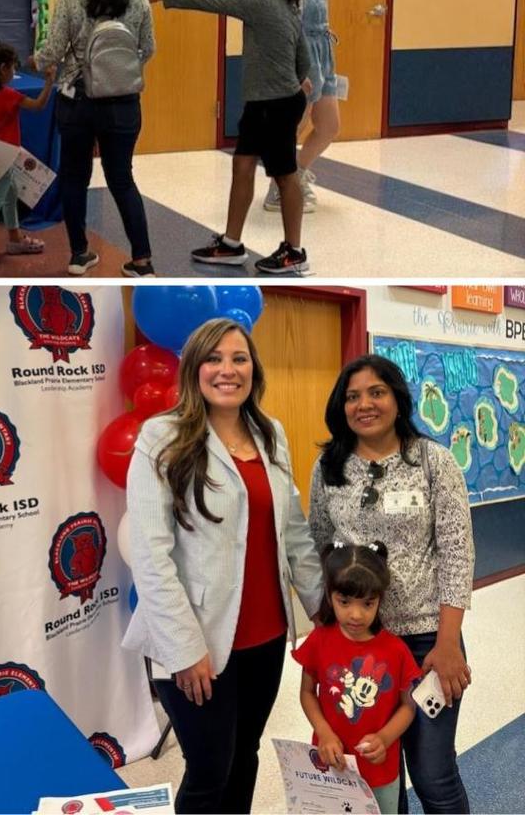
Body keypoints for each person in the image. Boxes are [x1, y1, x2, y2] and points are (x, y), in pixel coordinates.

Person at [122, 317, 323, 814]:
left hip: (268, 635)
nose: (227, 370)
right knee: (209, 767)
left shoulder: (269, 432)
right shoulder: (161, 437)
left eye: (239, 358)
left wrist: (323, 613)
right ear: (194, 368)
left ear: (254, 368)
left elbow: (292, 529)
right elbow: (151, 554)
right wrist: (184, 649)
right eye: (213, 358)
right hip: (198, 641)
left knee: (244, 755)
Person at [309, 355, 474, 814]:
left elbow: (457, 552)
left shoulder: (433, 462)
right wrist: (328, 628)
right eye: (352, 396)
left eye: (376, 392)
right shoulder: (329, 467)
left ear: (397, 400)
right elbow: (320, 545)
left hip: (426, 642)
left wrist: (447, 643)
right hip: (359, 647)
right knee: (373, 770)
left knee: (434, 774)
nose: (364, 404)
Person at [145, 0, 312, 275]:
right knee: (242, 164)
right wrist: (293, 80)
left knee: (285, 175)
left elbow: (211, 1)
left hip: (276, 104)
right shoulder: (286, 5)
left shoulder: (259, 3)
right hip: (264, 103)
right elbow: (303, 59)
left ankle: (294, 252)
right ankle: (232, 244)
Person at [32, 0, 156, 277]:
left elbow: (51, 54)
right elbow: (149, 49)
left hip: (77, 101)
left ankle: (79, 254)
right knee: (122, 178)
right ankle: (142, 260)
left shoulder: (71, 0)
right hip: (123, 102)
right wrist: (119, 75)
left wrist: (37, 61)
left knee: (74, 177)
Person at [294, 541, 420, 814]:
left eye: (367, 603)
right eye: (344, 601)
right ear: (329, 596)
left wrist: (386, 738)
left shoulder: (396, 650)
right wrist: (324, 733)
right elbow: (307, 692)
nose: (356, 614)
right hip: (332, 765)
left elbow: (408, 705)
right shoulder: (319, 640)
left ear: (379, 600)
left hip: (380, 771)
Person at [264, 0, 340, 214]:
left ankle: (295, 174)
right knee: (293, 126)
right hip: (300, 57)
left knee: (329, 126)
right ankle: (278, 188)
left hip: (324, 55)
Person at [0, 43, 54, 266]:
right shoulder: (9, 95)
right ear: (3, 69)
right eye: (13, 67)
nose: (15, 71)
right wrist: (49, 81)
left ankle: (14, 237)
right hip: (5, 154)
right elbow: (38, 105)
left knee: (10, 192)